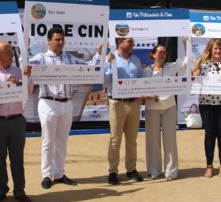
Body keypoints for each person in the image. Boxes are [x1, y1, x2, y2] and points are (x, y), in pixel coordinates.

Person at [28, 26, 101, 189]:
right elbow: (25, 66)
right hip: (48, 103)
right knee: (48, 141)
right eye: (57, 39)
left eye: (62, 39)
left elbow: (89, 67)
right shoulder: (40, 58)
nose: (60, 42)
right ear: (49, 41)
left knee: (62, 141)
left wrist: (99, 52)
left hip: (66, 104)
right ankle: (47, 175)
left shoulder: (70, 58)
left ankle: (59, 174)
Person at [0, 41, 32, 202]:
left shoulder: (19, 71)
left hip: (17, 120)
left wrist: (28, 78)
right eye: (8, 52)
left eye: (11, 51)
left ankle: (19, 190)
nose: (12, 54)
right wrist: (8, 86)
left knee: (17, 157)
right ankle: (1, 189)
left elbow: (28, 93)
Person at [142, 42, 188, 181]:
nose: (162, 54)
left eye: (164, 52)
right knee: (152, 141)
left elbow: (187, 61)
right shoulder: (146, 71)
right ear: (153, 55)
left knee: (170, 139)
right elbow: (141, 89)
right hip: (152, 108)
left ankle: (171, 171)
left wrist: (187, 43)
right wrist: (147, 95)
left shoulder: (171, 66)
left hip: (169, 107)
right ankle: (154, 170)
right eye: (160, 52)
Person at [192, 38, 221, 178]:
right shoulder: (203, 64)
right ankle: (209, 166)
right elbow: (194, 79)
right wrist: (196, 70)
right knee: (210, 135)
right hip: (207, 105)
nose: (218, 51)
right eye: (215, 48)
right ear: (210, 50)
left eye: (220, 48)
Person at [105, 37, 144, 185]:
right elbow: (104, 80)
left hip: (134, 103)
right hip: (117, 103)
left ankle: (131, 169)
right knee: (115, 139)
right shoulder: (111, 58)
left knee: (132, 139)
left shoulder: (136, 60)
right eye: (130, 42)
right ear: (120, 43)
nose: (133, 44)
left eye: (133, 41)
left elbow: (141, 79)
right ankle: (113, 171)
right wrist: (109, 63)